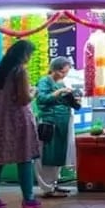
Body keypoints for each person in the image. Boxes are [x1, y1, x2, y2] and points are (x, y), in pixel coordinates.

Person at [0, 40, 42, 208]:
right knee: (24, 158)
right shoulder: (19, 71)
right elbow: (23, 99)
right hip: (17, 121)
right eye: (29, 55)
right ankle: (28, 200)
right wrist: (33, 92)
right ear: (23, 55)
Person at [34, 56, 79, 198]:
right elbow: (42, 99)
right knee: (47, 154)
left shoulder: (61, 82)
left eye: (66, 72)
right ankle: (46, 187)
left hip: (62, 123)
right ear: (54, 69)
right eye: (62, 72)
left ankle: (54, 183)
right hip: (49, 123)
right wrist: (59, 92)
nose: (63, 75)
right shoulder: (44, 81)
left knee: (58, 154)